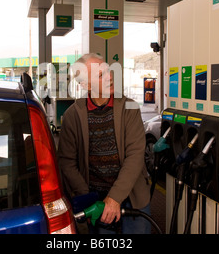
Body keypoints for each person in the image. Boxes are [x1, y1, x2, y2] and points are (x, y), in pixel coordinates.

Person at [57, 53, 151, 234]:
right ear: (85, 85)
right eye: (100, 75)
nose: (109, 77)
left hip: (132, 195)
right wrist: (90, 198)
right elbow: (67, 162)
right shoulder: (72, 116)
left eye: (108, 71)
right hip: (97, 202)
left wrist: (114, 198)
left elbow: (135, 155)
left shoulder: (129, 108)